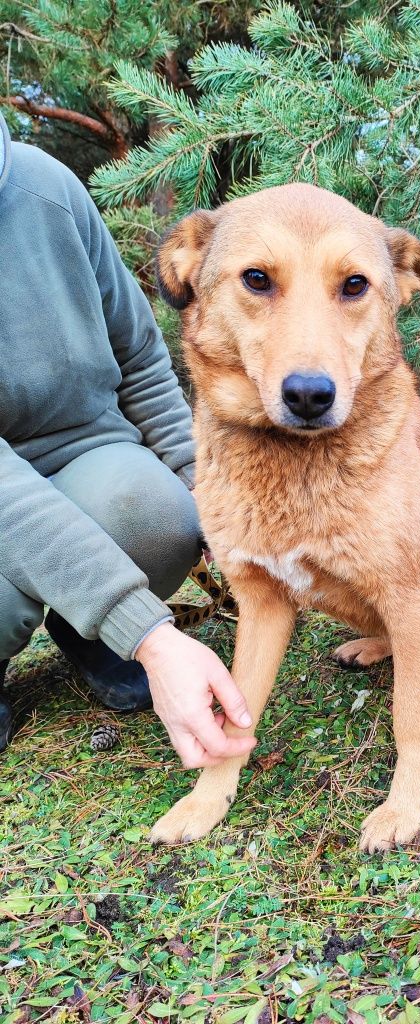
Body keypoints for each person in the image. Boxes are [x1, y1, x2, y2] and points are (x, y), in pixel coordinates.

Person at [0, 112, 255, 769]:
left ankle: (85, 630)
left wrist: (210, 489)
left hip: (81, 448)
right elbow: (12, 504)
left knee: (162, 516)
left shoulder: (45, 188)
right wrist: (151, 636)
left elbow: (139, 355)